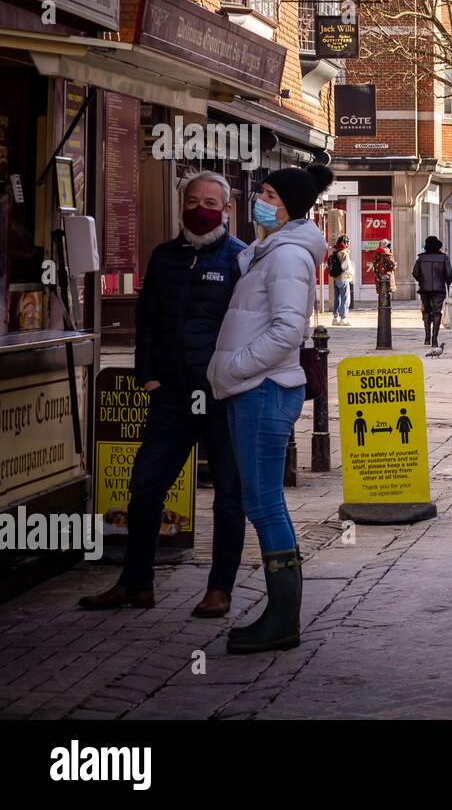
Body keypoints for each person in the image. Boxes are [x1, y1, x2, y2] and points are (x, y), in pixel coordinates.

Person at [78, 171, 247, 618]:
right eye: (192, 201)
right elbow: (147, 317)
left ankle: (220, 589)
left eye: (210, 201)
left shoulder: (239, 259)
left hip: (219, 395)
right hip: (171, 393)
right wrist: (147, 374)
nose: (200, 209)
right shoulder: (164, 256)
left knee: (229, 492)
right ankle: (136, 583)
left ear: (226, 209)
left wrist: (233, 378)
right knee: (145, 486)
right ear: (181, 205)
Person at [207, 163, 332, 653]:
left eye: (269, 194)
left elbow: (285, 331)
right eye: (261, 192)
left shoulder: (286, 258)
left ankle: (283, 618)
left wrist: (235, 367)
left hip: (264, 388)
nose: (259, 199)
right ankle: (280, 615)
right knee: (260, 500)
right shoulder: (269, 253)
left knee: (263, 502)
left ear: (289, 206)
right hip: (253, 388)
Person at [412, 235, 452, 348]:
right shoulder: (444, 258)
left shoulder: (421, 258)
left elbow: (415, 272)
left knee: (426, 311)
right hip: (439, 289)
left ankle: (427, 336)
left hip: (424, 288)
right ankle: (434, 338)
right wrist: (447, 283)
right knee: (436, 311)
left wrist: (421, 280)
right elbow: (449, 273)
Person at [327, 236, 354, 326]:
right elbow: (345, 266)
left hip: (335, 278)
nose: (348, 244)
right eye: (347, 242)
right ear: (345, 243)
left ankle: (335, 318)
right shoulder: (344, 253)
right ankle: (343, 318)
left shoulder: (335, 252)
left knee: (337, 298)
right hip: (343, 278)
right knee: (345, 298)